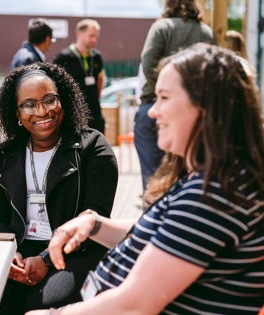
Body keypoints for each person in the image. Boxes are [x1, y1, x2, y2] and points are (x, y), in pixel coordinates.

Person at [27, 43, 264, 315]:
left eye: (163, 97)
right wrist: (94, 224)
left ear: (205, 107)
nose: (153, 111)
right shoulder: (213, 182)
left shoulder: (213, 196)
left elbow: (136, 304)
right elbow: (156, 234)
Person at [0, 62, 119, 315]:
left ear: (62, 101)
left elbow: (94, 216)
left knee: (39, 305)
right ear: (17, 114)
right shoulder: (5, 155)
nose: (42, 111)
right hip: (20, 251)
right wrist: (11, 255)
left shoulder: (93, 147)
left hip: (76, 253)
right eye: (29, 104)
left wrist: (45, 259)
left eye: (49, 100)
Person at [134, 0, 215, 191]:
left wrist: (165, 93)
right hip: (194, 114)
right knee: (189, 176)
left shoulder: (162, 27)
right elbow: (212, 71)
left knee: (152, 179)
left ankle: (154, 214)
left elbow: (148, 63)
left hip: (153, 107)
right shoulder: (206, 32)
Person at [52, 19, 106, 134]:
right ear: (80, 34)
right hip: (73, 113)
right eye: (91, 36)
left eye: (96, 36)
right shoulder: (63, 58)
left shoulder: (97, 56)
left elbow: (101, 79)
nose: (94, 40)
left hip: (95, 111)